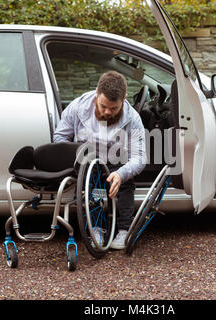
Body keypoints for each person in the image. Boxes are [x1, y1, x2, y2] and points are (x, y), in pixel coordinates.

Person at [53, 71, 147, 249]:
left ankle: (124, 230)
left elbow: (140, 157)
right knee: (94, 183)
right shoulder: (78, 107)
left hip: (116, 158)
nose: (107, 112)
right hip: (87, 157)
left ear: (124, 99)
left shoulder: (133, 118)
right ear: (97, 93)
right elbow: (59, 137)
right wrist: (76, 157)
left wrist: (121, 174)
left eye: (114, 108)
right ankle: (97, 227)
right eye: (103, 105)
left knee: (126, 183)